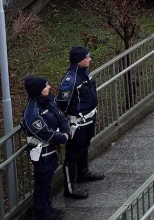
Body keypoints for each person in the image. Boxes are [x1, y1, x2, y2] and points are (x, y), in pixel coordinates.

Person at [57, 47, 104, 198]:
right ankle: (70, 188)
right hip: (78, 123)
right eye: (87, 57)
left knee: (84, 146)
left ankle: (83, 173)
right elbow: (62, 103)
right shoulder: (70, 80)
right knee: (73, 153)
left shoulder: (85, 73)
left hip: (89, 119)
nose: (90, 59)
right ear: (79, 60)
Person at [23, 76, 71, 220]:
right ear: (38, 90)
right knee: (42, 184)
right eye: (46, 85)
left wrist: (66, 130)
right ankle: (42, 214)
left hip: (51, 150)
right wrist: (62, 137)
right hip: (42, 153)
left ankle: (47, 208)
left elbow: (60, 116)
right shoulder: (32, 113)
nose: (49, 87)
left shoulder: (48, 101)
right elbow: (44, 132)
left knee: (47, 182)